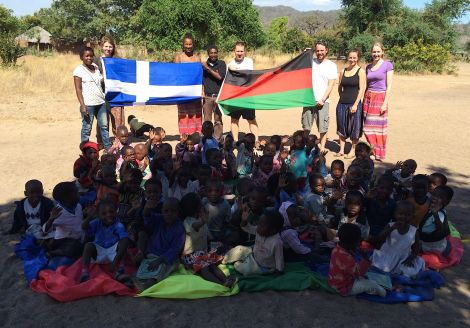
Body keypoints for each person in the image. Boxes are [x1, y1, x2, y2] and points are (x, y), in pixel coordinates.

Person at [328, 223, 386, 297]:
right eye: (358, 241)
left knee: (366, 277)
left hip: (334, 282)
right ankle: (383, 293)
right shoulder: (346, 257)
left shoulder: (336, 249)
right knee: (370, 284)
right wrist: (365, 257)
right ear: (354, 243)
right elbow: (359, 273)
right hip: (343, 287)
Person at [371, 200, 425, 277]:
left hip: (403, 257)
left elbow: (416, 247)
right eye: (400, 214)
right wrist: (391, 229)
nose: (403, 217)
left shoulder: (414, 231)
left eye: (407, 215)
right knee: (380, 268)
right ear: (395, 214)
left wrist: (411, 258)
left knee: (408, 272)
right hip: (387, 254)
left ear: (412, 216)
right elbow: (379, 238)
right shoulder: (390, 225)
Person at [81, 200, 130, 284]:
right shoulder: (96, 222)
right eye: (104, 213)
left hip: (113, 254)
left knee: (124, 243)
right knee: (88, 246)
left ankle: (120, 271)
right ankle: (85, 273)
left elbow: (124, 240)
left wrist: (115, 261)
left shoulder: (118, 225)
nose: (108, 215)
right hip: (99, 252)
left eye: (111, 212)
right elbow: (84, 227)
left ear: (116, 211)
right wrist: (90, 216)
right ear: (98, 215)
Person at [301, 41, 337, 151]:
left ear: (326, 50)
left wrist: (323, 99)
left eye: (322, 50)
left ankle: (322, 147)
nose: (320, 52)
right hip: (308, 100)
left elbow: (331, 84)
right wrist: (303, 56)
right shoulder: (310, 63)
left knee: (323, 126)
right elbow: (299, 71)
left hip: (323, 101)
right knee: (306, 125)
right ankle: (305, 145)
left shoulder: (331, 65)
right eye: (317, 50)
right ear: (315, 51)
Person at [73, 47, 111, 151]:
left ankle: (108, 148)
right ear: (82, 57)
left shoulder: (95, 67)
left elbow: (100, 81)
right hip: (88, 104)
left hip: (101, 102)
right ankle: (85, 149)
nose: (89, 58)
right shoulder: (78, 70)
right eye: (87, 56)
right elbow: (78, 89)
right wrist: (82, 105)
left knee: (104, 126)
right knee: (87, 128)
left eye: (91, 55)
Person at [363, 43, 394, 161]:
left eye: (378, 52)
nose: (376, 54)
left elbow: (389, 86)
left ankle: (380, 153)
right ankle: (373, 150)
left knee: (378, 128)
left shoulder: (387, 65)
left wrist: (385, 103)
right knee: (366, 128)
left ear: (382, 52)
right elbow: (367, 84)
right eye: (374, 52)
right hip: (368, 97)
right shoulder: (368, 67)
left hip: (380, 97)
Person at [335, 48, 366, 158]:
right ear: (348, 57)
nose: (352, 59)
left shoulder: (361, 71)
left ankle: (352, 151)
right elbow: (339, 88)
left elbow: (362, 89)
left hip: (355, 104)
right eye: (350, 57)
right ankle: (342, 149)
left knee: (354, 127)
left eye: (354, 57)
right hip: (342, 104)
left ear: (358, 58)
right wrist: (342, 98)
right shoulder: (343, 71)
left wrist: (356, 104)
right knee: (341, 127)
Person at [94, 35, 125, 139]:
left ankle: (119, 140)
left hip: (115, 94)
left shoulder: (118, 60)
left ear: (113, 47)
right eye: (106, 46)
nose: (108, 49)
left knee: (118, 118)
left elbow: (123, 75)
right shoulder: (96, 60)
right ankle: (102, 141)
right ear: (102, 46)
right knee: (102, 118)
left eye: (110, 46)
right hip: (101, 93)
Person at [227, 41, 258, 142]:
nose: (239, 53)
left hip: (247, 97)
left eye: (241, 51)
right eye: (237, 51)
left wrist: (233, 70)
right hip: (235, 97)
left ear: (245, 52)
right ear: (234, 51)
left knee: (251, 120)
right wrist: (229, 69)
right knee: (234, 120)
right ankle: (236, 141)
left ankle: (255, 141)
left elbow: (247, 75)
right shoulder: (230, 64)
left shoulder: (249, 61)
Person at [174, 33, 203, 135]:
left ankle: (196, 134)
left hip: (194, 91)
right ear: (183, 45)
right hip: (182, 91)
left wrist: (202, 90)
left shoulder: (197, 58)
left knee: (196, 114)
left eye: (190, 44)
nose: (188, 46)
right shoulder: (179, 57)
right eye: (186, 44)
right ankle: (184, 135)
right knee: (183, 114)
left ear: (193, 44)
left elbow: (200, 76)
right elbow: (175, 74)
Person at [202, 45, 226, 140]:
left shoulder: (221, 64)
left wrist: (207, 68)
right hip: (207, 97)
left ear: (217, 53)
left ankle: (217, 139)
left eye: (215, 52)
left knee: (218, 120)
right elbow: (201, 80)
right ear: (208, 54)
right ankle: (207, 139)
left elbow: (220, 77)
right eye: (211, 53)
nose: (213, 55)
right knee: (207, 121)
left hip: (219, 96)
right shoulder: (203, 65)